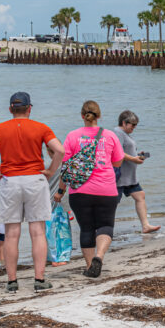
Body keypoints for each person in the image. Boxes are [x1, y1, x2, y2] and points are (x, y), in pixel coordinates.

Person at [0, 92, 64, 293]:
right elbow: (59, 150)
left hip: (10, 181)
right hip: (35, 180)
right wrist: (51, 171)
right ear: (29, 109)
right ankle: (39, 279)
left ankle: (12, 281)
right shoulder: (41, 127)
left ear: (10, 109)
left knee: (11, 234)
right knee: (37, 231)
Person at [58, 100, 124, 279]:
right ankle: (99, 257)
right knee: (105, 226)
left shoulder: (72, 136)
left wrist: (60, 191)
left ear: (82, 115)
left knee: (86, 228)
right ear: (99, 116)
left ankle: (89, 267)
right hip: (106, 189)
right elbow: (118, 162)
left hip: (80, 191)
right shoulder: (110, 135)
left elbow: (65, 167)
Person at [114, 110, 160, 234]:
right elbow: (117, 152)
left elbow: (126, 151)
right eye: (133, 125)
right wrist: (133, 159)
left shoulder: (125, 133)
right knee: (112, 204)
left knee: (140, 196)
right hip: (120, 176)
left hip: (129, 176)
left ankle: (145, 226)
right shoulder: (118, 133)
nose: (134, 127)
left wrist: (137, 155)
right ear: (124, 123)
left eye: (135, 125)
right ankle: (102, 229)